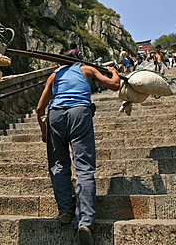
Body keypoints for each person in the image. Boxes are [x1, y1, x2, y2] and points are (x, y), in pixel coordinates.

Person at [36, 53, 120, 245]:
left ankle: (65, 210)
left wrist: (43, 131)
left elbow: (40, 108)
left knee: (58, 165)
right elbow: (115, 85)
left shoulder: (54, 75)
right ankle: (85, 221)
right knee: (84, 168)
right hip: (79, 113)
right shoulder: (86, 69)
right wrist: (114, 72)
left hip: (55, 116)